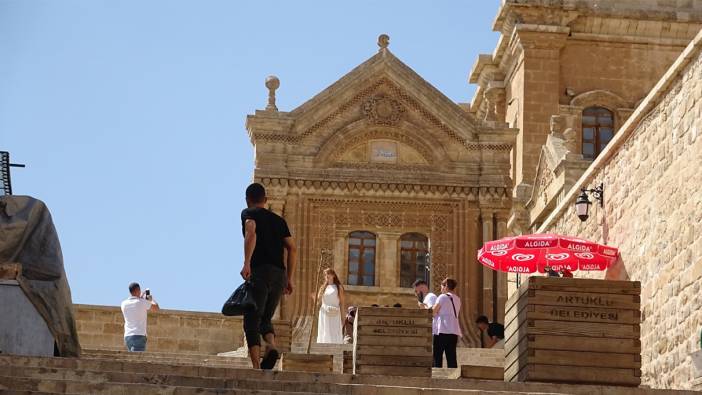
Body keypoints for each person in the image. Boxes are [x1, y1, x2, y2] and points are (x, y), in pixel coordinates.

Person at [240, 183, 297, 369]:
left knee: (251, 319)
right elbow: (292, 248)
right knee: (265, 318)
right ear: (265, 200)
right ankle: (271, 345)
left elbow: (251, 232)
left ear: (248, 200)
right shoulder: (279, 221)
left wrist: (247, 262)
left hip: (260, 271)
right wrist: (289, 278)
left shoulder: (248, 213)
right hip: (279, 275)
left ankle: (256, 366)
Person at [120, 282, 159, 352]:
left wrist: (140, 298)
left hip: (127, 336)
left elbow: (136, 305)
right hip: (139, 335)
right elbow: (156, 308)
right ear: (138, 290)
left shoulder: (123, 303)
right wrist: (150, 298)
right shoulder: (142, 302)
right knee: (137, 360)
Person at [432, 278, 462, 368]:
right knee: (451, 357)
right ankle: (453, 377)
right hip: (453, 331)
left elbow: (433, 311)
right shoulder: (457, 299)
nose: (441, 288)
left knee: (437, 356)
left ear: (446, 286)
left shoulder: (442, 297)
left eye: (442, 286)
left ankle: (437, 377)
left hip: (442, 330)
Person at [316, 268, 345, 344]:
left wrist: (343, 317)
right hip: (324, 313)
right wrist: (316, 296)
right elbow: (318, 300)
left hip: (334, 314)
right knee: (325, 331)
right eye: (325, 274)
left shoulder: (338, 287)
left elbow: (342, 303)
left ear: (333, 275)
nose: (327, 276)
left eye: (328, 274)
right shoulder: (323, 288)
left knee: (333, 332)